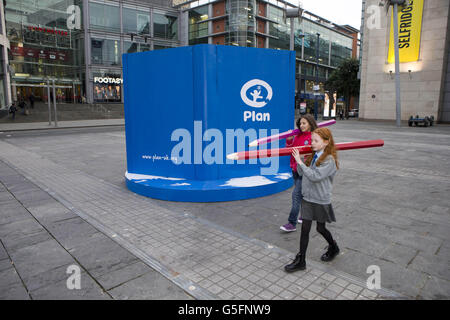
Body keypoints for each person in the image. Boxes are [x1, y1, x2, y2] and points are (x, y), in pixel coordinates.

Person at [284, 127, 340, 272]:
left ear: (326, 142)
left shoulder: (329, 160)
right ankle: (301, 260)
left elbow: (315, 177)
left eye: (316, 141)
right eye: (312, 140)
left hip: (321, 199)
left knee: (321, 228)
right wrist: (301, 160)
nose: (312, 143)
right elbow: (301, 173)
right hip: (308, 198)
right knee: (305, 230)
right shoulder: (313, 155)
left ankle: (333, 246)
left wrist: (300, 162)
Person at [280, 114, 318, 232]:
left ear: (310, 124)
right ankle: (304, 216)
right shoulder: (298, 136)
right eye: (300, 123)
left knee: (296, 196)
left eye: (304, 123)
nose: (301, 126)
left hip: (305, 171)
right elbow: (290, 149)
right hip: (295, 169)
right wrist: (290, 139)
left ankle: (292, 223)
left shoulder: (313, 137)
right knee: (302, 194)